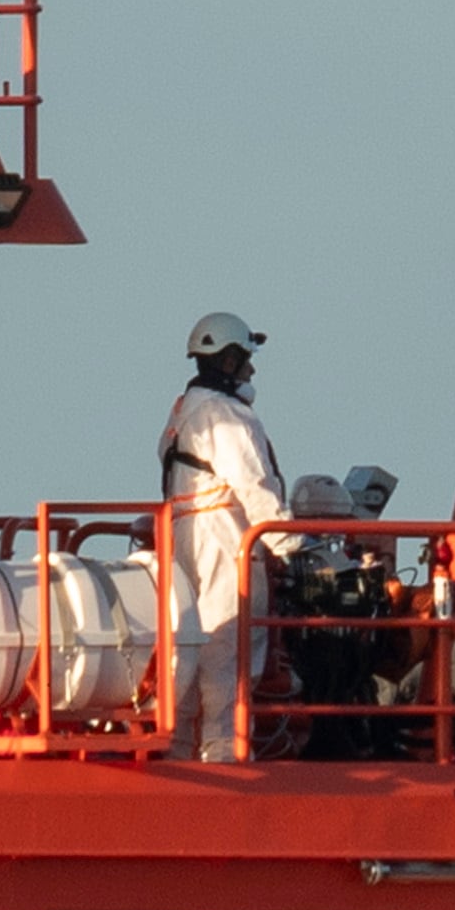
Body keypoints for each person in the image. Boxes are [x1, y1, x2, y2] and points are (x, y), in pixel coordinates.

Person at [158, 313, 282, 760]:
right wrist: (290, 543)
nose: (251, 370)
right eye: (246, 359)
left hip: (183, 536)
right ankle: (226, 751)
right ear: (228, 362)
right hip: (224, 540)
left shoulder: (182, 411)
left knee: (188, 644)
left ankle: (177, 748)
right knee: (229, 648)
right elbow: (254, 485)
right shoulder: (227, 417)